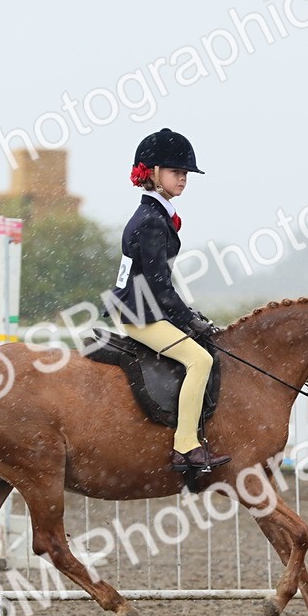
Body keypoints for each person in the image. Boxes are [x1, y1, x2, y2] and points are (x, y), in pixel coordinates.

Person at [108, 127, 231, 474]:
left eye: (185, 173)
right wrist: (188, 320)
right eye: (176, 172)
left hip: (145, 308)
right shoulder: (151, 221)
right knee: (199, 360)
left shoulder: (157, 216)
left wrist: (187, 313)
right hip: (141, 315)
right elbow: (160, 286)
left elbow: (160, 281)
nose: (183, 178)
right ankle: (186, 446)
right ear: (153, 174)